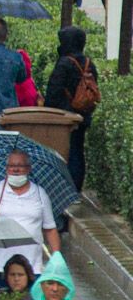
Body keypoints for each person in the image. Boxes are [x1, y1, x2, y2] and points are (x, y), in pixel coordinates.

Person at [0, 148, 62, 287]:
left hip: (32, 266)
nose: (15, 170)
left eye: (20, 166)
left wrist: (57, 257)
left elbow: (50, 228)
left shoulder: (40, 193)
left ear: (28, 169)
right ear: (6, 168)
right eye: (11, 166)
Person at [44, 24, 98, 197]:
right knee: (78, 150)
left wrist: (47, 111)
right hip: (83, 115)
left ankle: (66, 188)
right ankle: (76, 188)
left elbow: (54, 90)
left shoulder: (65, 63)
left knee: (65, 152)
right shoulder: (90, 63)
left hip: (64, 118)